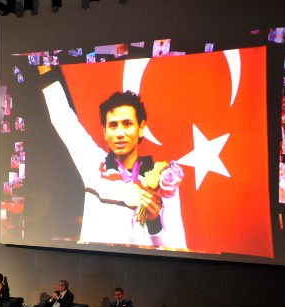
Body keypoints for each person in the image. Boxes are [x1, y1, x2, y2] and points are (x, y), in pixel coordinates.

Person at [43, 82, 186, 248]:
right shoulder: (93, 163)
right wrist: (42, 61)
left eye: (127, 124)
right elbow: (61, 116)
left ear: (141, 128)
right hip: (95, 268)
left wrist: (155, 225)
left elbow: (177, 247)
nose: (119, 133)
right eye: (113, 125)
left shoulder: (164, 181)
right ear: (105, 132)